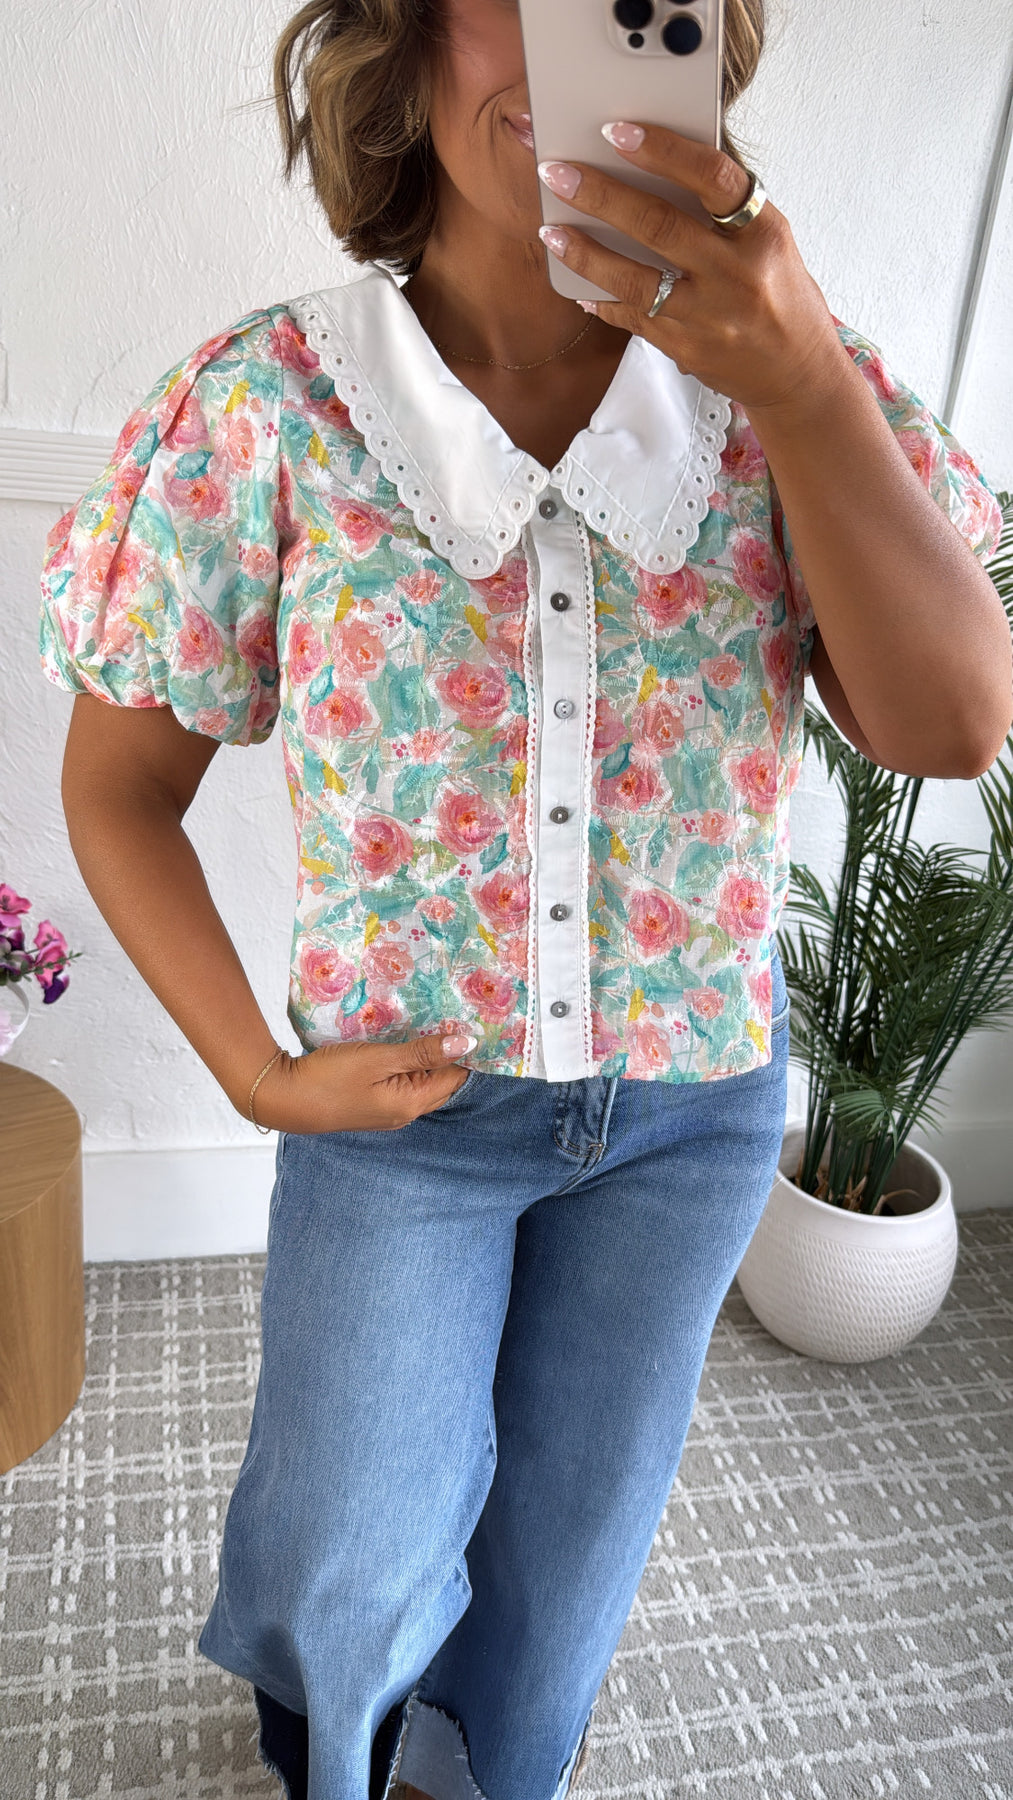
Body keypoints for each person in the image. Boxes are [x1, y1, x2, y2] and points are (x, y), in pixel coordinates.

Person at [38, 1, 1010, 1796]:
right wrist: (255, 1072)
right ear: (402, 46)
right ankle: (328, 1733)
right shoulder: (268, 408)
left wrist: (798, 380)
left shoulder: (793, 395)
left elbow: (947, 727)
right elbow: (118, 789)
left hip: (689, 1124)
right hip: (402, 1124)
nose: (574, 42)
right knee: (350, 1545)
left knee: (566, 1550)